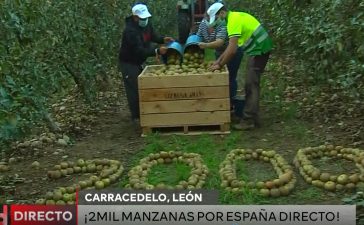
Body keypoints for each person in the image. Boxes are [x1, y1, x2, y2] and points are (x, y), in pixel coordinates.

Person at [207, 3, 273, 130]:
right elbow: (230, 48)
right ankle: (253, 116)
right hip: (257, 49)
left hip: (260, 49)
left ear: (222, 13)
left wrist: (220, 65)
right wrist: (218, 61)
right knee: (251, 83)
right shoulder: (233, 18)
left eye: (216, 19)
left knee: (251, 84)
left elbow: (232, 50)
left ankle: (249, 120)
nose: (216, 22)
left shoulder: (233, 21)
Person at [118, 4, 174, 125]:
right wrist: (157, 51)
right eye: (142, 18)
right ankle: (137, 117)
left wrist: (162, 39)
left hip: (138, 60)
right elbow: (139, 50)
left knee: (141, 87)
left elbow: (152, 35)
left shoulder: (146, 24)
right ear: (135, 17)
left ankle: (146, 113)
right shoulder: (130, 31)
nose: (145, 20)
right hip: (129, 62)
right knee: (133, 88)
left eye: (146, 18)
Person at [197, 4, 243, 119]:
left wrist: (206, 45)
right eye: (208, 19)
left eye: (213, 19)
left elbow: (220, 42)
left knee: (230, 77)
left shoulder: (222, 24)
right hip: (221, 52)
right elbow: (198, 36)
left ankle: (230, 104)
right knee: (221, 76)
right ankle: (220, 103)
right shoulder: (203, 24)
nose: (210, 22)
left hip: (233, 50)